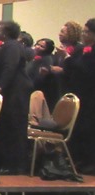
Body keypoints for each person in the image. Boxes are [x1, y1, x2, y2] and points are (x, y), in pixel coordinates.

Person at [0, 20, 33, 175]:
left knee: (13, 127)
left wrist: (0, 87)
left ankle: (14, 165)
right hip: (12, 90)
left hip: (16, 91)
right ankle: (8, 162)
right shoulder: (9, 45)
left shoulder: (12, 46)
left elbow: (10, 67)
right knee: (8, 126)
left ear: (5, 32)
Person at [66, 18, 95, 174]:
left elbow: (88, 72)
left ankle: (90, 162)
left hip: (91, 97)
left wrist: (69, 59)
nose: (83, 34)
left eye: (87, 32)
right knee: (79, 129)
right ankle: (79, 159)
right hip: (80, 94)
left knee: (89, 130)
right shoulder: (84, 49)